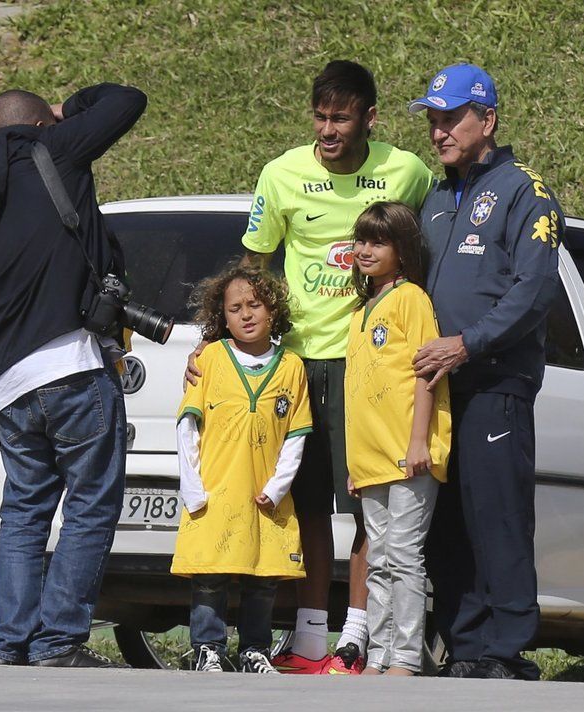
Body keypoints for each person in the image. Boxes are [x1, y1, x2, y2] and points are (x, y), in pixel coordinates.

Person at [187, 60, 434, 674]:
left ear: (369, 118)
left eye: (341, 118)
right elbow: (251, 268)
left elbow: (436, 238)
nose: (327, 130)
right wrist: (211, 338)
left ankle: (358, 636)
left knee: (369, 503)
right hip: (297, 364)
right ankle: (310, 640)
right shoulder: (281, 174)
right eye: (320, 117)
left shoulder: (407, 171)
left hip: (371, 366)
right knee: (305, 506)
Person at [0, 83, 146, 667]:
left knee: (24, 512)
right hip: (71, 366)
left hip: (11, 382)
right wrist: (68, 110)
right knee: (90, 504)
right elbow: (126, 100)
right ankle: (59, 642)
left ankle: (10, 644)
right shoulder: (53, 150)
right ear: (41, 125)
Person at [409, 63, 562, 681]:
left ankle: (506, 647)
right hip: (436, 388)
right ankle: (466, 646)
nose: (439, 131)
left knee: (496, 514)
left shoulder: (525, 189)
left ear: (487, 120)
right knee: (446, 524)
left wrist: (467, 345)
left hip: (495, 381)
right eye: (433, 120)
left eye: (451, 119)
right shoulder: (436, 198)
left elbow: (533, 291)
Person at [173, 264, 311, 674]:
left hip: (264, 497)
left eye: (255, 304)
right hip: (216, 492)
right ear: (223, 316)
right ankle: (208, 648)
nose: (246, 314)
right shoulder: (209, 359)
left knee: (262, 578)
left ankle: (254, 650)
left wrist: (278, 486)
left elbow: (296, 435)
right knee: (210, 577)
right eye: (235, 308)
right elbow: (187, 427)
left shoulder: (291, 367)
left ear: (273, 310)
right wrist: (192, 486)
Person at [342, 202, 451, 676]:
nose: (366, 250)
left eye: (378, 242)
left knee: (405, 556)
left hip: (410, 454)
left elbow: (426, 374)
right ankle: (381, 654)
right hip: (370, 461)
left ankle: (406, 657)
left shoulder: (412, 300)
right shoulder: (360, 310)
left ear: (402, 251)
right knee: (380, 558)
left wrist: (418, 442)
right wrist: (354, 463)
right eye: (361, 240)